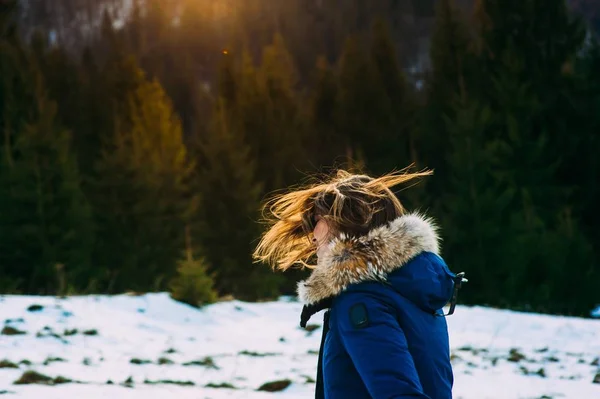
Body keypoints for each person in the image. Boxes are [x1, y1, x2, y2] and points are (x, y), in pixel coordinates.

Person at [253, 169, 466, 399]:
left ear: (349, 224)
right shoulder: (413, 291)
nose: (313, 236)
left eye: (318, 221)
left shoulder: (363, 299)